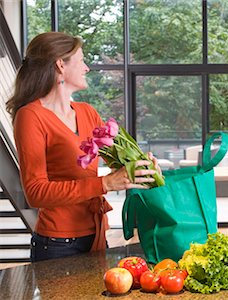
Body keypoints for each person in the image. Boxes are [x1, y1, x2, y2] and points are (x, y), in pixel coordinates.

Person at [6, 32, 159, 262]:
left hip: (96, 235)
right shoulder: (30, 116)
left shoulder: (88, 112)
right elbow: (35, 193)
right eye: (81, 61)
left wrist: (143, 167)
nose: (87, 68)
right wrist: (105, 183)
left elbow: (118, 161)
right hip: (58, 243)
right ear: (60, 65)